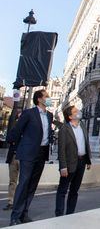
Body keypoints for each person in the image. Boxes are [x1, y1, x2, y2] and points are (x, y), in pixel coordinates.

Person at [7, 89, 53, 226]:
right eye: (47, 96)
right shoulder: (29, 113)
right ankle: (15, 216)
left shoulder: (49, 115)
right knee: (24, 183)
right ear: (39, 99)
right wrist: (15, 148)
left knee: (33, 185)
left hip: (42, 153)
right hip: (28, 153)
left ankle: (24, 213)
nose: (49, 98)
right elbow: (16, 131)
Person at [55, 105, 92, 217]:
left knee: (74, 190)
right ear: (70, 116)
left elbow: (86, 143)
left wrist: (88, 160)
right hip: (69, 163)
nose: (78, 112)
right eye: (75, 111)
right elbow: (61, 150)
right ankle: (59, 214)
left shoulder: (82, 126)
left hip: (81, 162)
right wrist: (63, 166)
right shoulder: (64, 129)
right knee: (63, 190)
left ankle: (70, 214)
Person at [2, 113, 21, 211]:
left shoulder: (28, 130)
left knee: (23, 181)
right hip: (13, 156)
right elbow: (9, 139)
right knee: (12, 181)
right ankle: (10, 201)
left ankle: (19, 202)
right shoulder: (14, 129)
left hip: (23, 157)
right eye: (18, 119)